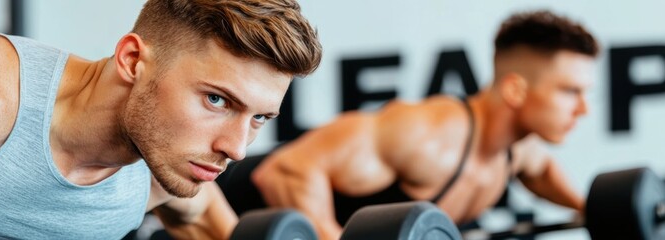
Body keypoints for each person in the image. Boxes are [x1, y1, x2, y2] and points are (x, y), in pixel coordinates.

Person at [0, 0, 322, 239]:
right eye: (217, 100)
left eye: (259, 117)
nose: (236, 148)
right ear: (133, 60)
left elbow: (205, 221)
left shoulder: (165, 171)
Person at [216, 10, 597, 240]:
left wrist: (585, 207)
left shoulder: (519, 148)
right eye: (570, 91)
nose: (583, 109)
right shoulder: (428, 135)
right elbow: (286, 172)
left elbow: (541, 171)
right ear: (515, 89)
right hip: (220, 202)